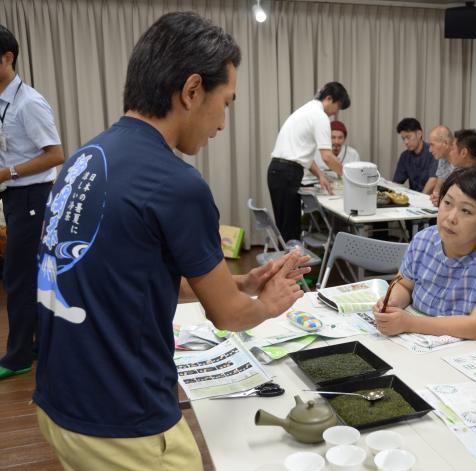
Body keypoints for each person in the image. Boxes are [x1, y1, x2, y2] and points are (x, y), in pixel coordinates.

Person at [34, 12, 308, 469]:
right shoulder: (177, 184)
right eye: (227, 101)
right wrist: (269, 303)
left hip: (60, 405)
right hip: (124, 424)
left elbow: (128, 279)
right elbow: (229, 318)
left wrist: (237, 283)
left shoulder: (87, 157)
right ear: (192, 90)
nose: (222, 123)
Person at [373, 166, 476, 358]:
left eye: (466, 211)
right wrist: (391, 305)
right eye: (447, 203)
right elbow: (404, 285)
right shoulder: (425, 239)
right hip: (424, 346)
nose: (451, 217)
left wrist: (408, 323)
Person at [0, 25, 64, 380]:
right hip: (17, 196)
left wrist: (7, 172)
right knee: (29, 275)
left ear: (8, 58)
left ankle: (19, 356)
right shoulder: (4, 100)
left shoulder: (29, 102)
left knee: (18, 278)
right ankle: (36, 344)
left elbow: (56, 154)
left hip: (32, 197)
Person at [268, 82, 351, 241]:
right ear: (329, 98)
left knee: (286, 228)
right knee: (291, 232)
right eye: (338, 106)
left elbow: (301, 154)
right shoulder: (319, 116)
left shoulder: (306, 110)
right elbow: (327, 157)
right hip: (287, 174)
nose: (337, 112)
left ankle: (286, 264)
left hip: (277, 171)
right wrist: (348, 176)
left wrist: (320, 175)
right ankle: (290, 265)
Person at [392, 118, 437, 194]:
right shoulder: (405, 156)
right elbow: (397, 182)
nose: (406, 142)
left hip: (430, 199)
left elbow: (433, 180)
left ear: (419, 134)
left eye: (408, 137)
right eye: (403, 138)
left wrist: (420, 199)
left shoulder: (433, 152)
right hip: (414, 197)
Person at [427, 125, 455, 205]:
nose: (429, 150)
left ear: (445, 143)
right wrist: (435, 197)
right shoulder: (443, 158)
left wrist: (442, 199)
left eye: (432, 145)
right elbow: (438, 189)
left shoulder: (460, 161)